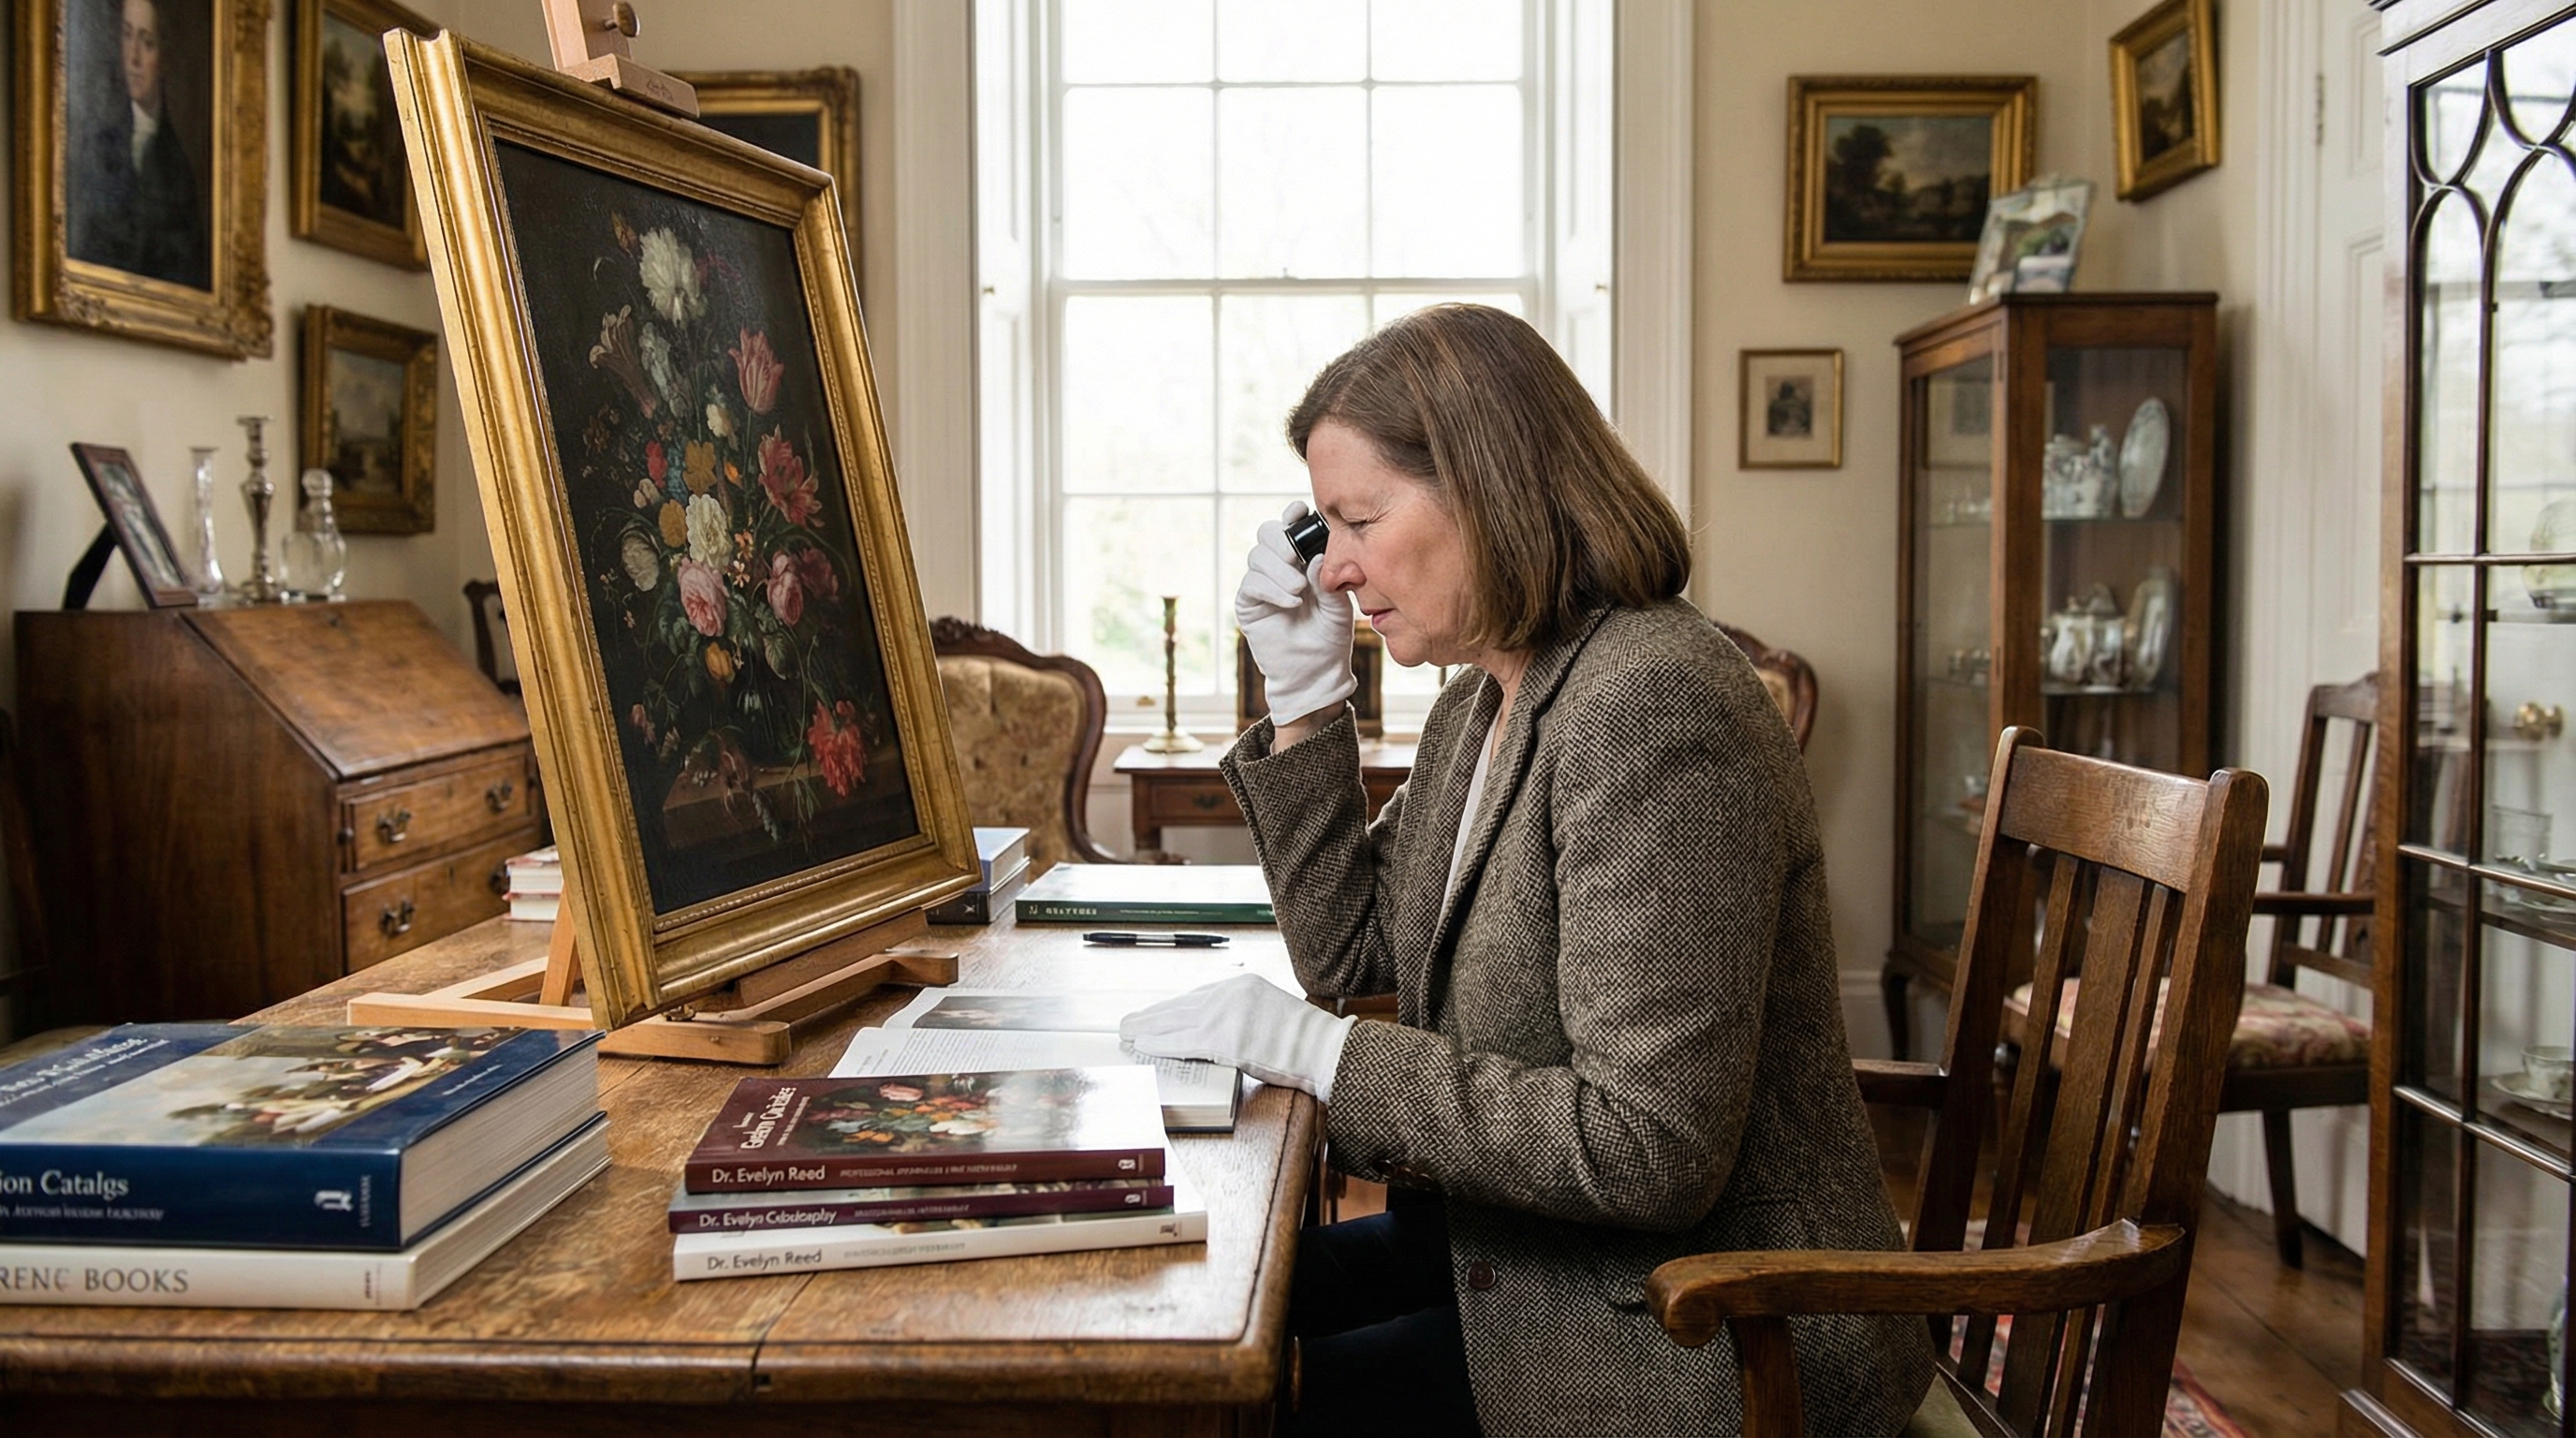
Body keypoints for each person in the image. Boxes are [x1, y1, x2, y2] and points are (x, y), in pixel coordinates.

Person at [1120, 304, 1932, 1434]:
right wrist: (1307, 705)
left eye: (1358, 519)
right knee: (1162, 1324)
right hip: (1551, 1264)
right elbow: (1351, 951)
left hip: (1718, 1333)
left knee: (1207, 1409)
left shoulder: (1654, 703)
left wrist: (1325, 1058)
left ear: (1488, 487)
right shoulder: (1485, 701)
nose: (1338, 568)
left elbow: (1647, 1148)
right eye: (1326, 531)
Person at [69, 0, 208, 288]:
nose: (133, 58)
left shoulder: (179, 171)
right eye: (127, 35)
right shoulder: (98, 146)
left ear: (166, 55)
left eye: (147, 43)